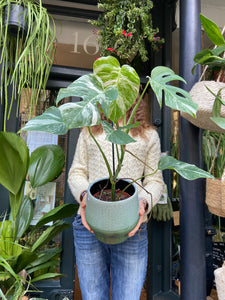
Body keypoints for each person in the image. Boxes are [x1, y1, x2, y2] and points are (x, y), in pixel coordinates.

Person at [68, 97, 164, 300]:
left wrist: (143, 203)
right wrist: (85, 197)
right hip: (89, 225)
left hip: (131, 227)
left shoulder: (149, 136)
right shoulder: (90, 131)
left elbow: (155, 180)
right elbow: (76, 172)